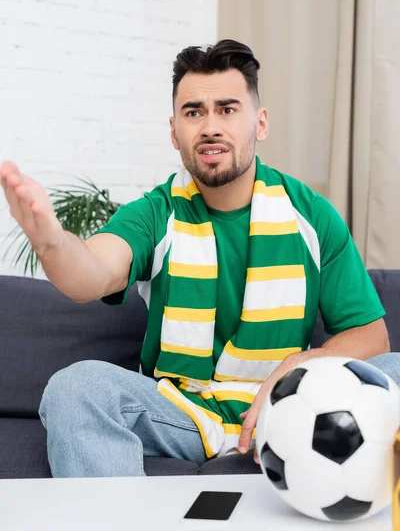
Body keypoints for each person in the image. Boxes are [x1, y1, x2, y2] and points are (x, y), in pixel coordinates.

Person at [0, 39, 398, 478]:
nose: (210, 126)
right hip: (180, 412)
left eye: (227, 110)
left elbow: (371, 337)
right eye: (194, 112)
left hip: (288, 407)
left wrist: (297, 366)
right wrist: (52, 242)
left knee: (395, 370)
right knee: (76, 387)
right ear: (174, 131)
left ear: (260, 123)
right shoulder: (156, 212)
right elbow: (93, 273)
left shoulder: (312, 214)